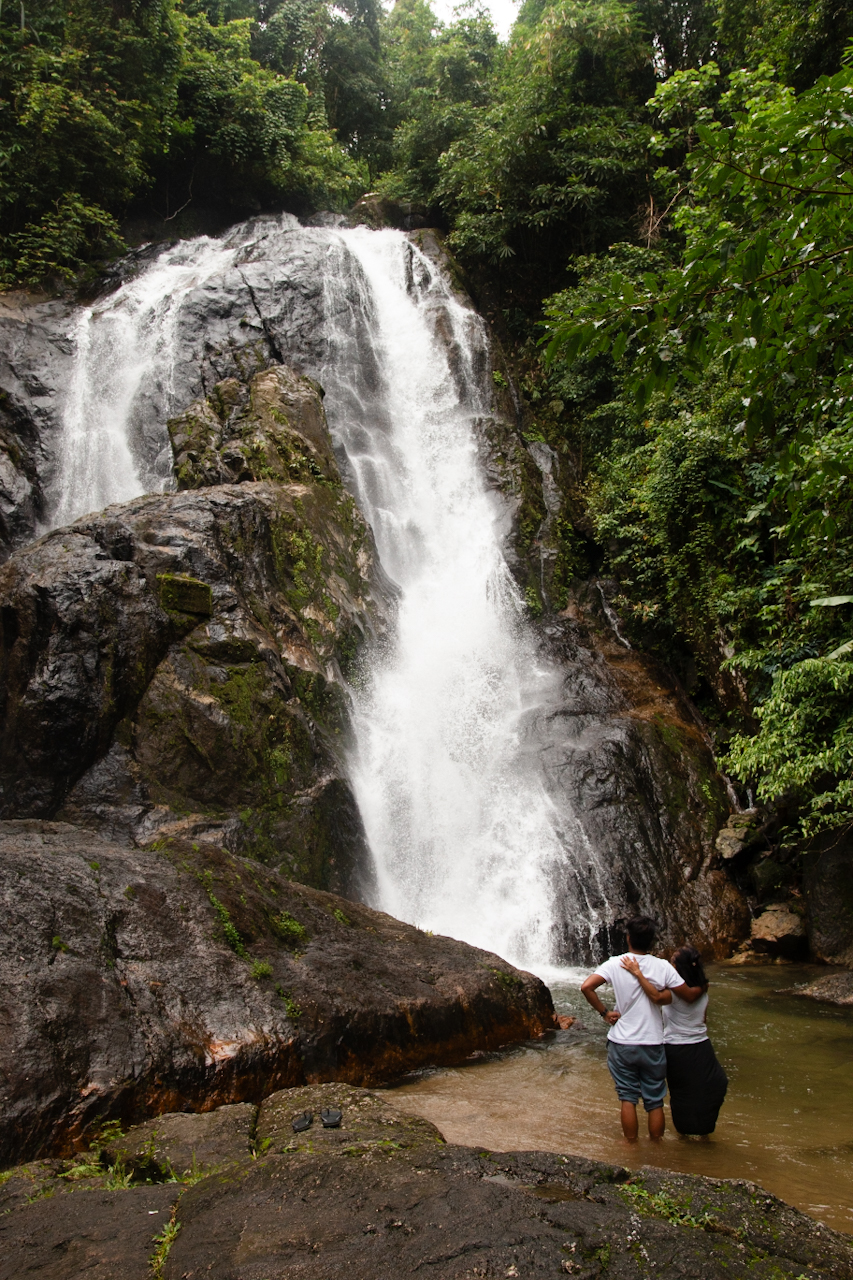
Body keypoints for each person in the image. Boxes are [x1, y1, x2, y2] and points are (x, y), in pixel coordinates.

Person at [581, 915, 693, 1143]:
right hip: (652, 1041)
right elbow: (687, 994)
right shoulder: (663, 967)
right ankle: (657, 1148)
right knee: (655, 1100)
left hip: (622, 1042)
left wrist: (604, 1013)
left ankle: (631, 1148)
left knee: (627, 1097)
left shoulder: (616, 963)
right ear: (652, 940)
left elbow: (586, 986)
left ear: (628, 937)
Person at [622, 944, 728, 1137]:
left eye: (672, 962)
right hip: (702, 1045)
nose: (669, 966)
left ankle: (684, 1137)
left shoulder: (674, 992)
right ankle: (702, 1135)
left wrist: (637, 973)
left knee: (682, 1093)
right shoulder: (703, 988)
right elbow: (703, 1018)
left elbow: (654, 996)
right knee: (706, 1087)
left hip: (677, 1048)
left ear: (680, 968)